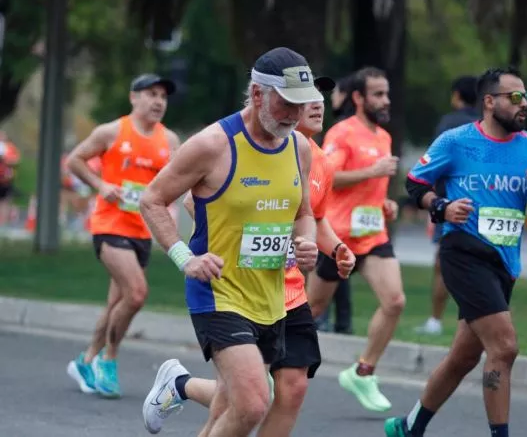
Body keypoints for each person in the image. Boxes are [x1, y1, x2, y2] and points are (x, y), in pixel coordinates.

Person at [141, 77, 357, 437]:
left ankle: (179, 385)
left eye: (312, 99)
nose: (308, 107)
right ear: (259, 94)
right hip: (223, 289)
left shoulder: (307, 153)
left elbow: (309, 215)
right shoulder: (219, 144)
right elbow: (172, 200)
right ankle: (178, 384)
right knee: (252, 401)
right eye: (292, 102)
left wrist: (324, 246)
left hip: (279, 293)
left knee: (262, 396)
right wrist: (191, 255)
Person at [385, 67, 527, 437]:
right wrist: (441, 207)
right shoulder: (456, 141)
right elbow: (415, 184)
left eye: (526, 96)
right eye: (515, 97)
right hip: (463, 253)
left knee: (463, 357)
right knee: (504, 347)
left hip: (505, 262)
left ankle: (409, 426)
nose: (524, 103)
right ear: (489, 101)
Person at [65, 73, 180, 398]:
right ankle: (109, 359)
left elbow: (178, 178)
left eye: (163, 96)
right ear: (134, 97)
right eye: (152, 94)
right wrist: (101, 185)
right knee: (137, 293)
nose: (159, 101)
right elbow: (75, 160)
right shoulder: (112, 131)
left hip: (142, 231)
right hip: (110, 226)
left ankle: (86, 360)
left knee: (117, 302)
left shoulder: (170, 140)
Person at [306, 66, 404, 412]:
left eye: (387, 93)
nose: (386, 100)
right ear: (359, 97)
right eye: (378, 94)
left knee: (395, 301)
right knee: (311, 309)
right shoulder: (342, 132)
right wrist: (372, 172)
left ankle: (363, 372)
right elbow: (327, 175)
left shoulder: (383, 137)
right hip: (338, 237)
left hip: (373, 235)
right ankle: (271, 364)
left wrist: (385, 203)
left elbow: (370, 188)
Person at [415, 75, 479, 336]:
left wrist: (432, 200)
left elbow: (434, 164)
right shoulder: (486, 124)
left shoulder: (448, 124)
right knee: (479, 266)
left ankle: (435, 320)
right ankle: (474, 321)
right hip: (482, 203)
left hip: (450, 203)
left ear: (456, 96)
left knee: (443, 264)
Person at [314, 73, 356, 335]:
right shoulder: (341, 131)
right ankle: (337, 322)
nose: (328, 100)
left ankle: (332, 321)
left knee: (336, 268)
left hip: (338, 221)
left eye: (335, 92)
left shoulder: (344, 130)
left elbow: (331, 175)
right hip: (336, 220)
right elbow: (332, 174)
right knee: (334, 269)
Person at [0, 131, 21, 226]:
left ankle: (3, 223)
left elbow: (16, 160)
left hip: (6, 180)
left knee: (5, 201)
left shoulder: (10, 148)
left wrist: (5, 160)